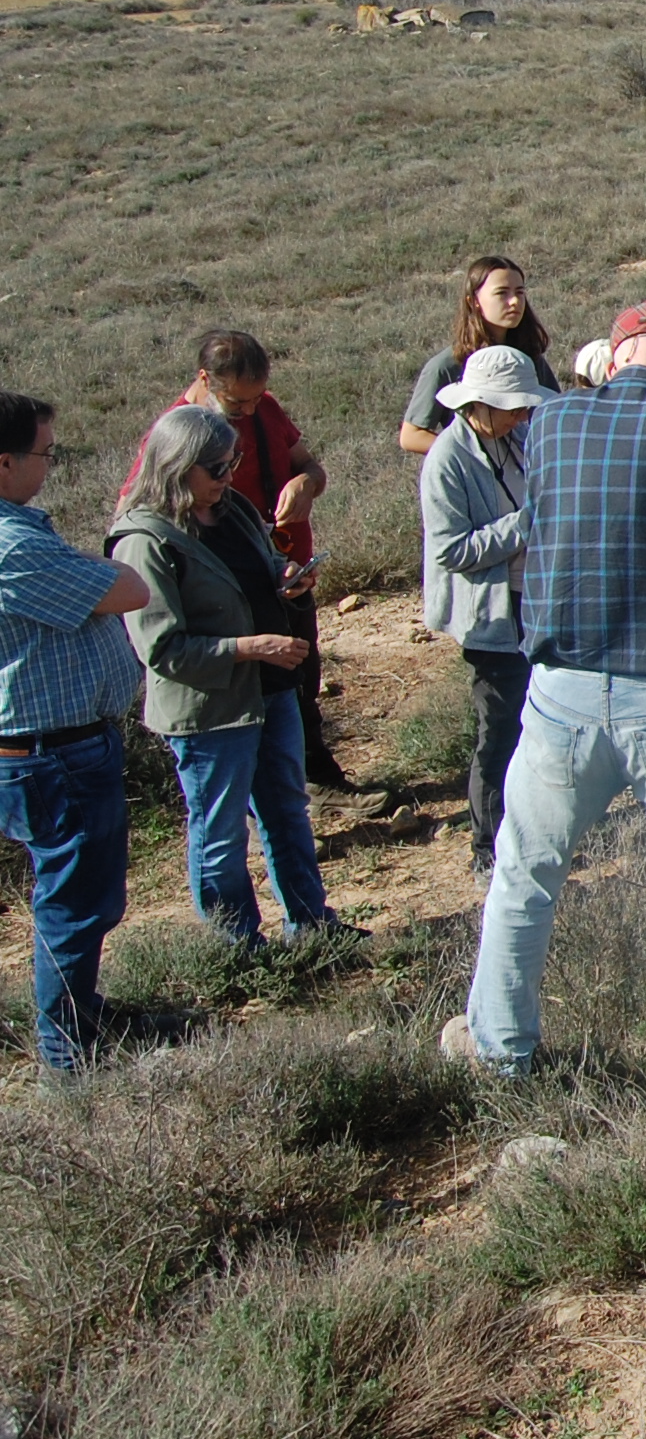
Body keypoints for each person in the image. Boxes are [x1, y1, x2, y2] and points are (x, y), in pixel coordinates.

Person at [452, 300, 646, 1120]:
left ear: (615, 354)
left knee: (523, 879)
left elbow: (546, 526)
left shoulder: (551, 425)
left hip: (558, 693)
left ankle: (499, 1051)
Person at [109, 405, 350, 946]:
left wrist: (285, 578)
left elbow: (262, 562)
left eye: (231, 463)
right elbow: (163, 649)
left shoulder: (234, 507)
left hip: (270, 692)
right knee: (219, 835)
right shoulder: (145, 541)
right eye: (215, 468)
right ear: (176, 465)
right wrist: (250, 647)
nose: (226, 477)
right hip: (211, 712)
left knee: (287, 811)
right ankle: (236, 947)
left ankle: (313, 927)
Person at [0, 391, 149, 1070]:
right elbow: (127, 589)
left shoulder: (21, 529)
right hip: (50, 755)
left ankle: (82, 1017)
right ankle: (68, 1057)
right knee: (71, 906)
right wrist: (106, 574)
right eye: (44, 452)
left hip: (60, 749)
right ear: (5, 462)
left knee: (83, 900)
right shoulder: (9, 546)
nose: (51, 463)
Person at [161, 330, 344, 789]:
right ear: (205, 380)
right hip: (233, 600)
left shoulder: (266, 409)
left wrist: (306, 483)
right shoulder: (177, 435)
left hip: (289, 578)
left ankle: (317, 785)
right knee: (263, 699)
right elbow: (146, 516)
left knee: (302, 683)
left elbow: (309, 466)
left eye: (256, 398)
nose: (247, 411)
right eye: (237, 403)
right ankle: (288, 797)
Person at [419, 346, 553, 871]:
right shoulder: (447, 460)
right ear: (479, 404)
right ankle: (489, 850)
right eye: (515, 406)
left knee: (538, 725)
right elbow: (451, 551)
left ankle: (536, 832)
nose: (524, 415)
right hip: (490, 619)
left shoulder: (517, 437)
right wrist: (526, 523)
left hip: (535, 601)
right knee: (498, 733)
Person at [400, 256, 557, 454]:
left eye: (520, 292)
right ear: (473, 301)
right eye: (502, 293)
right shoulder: (447, 365)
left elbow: (556, 414)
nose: (515, 301)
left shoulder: (528, 359)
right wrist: (471, 453)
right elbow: (411, 436)